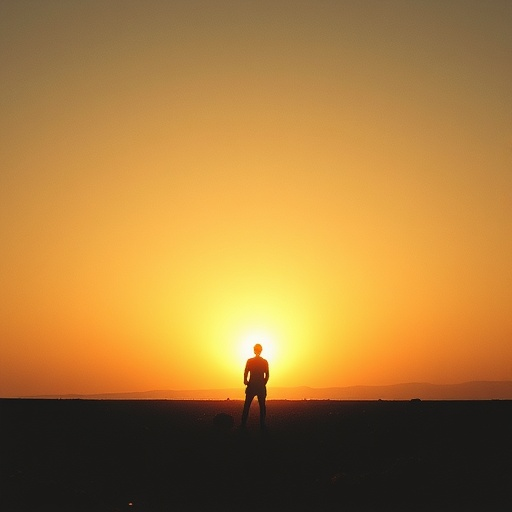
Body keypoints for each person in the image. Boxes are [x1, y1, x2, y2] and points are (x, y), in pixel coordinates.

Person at [241, 343, 269, 429]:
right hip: (259, 385)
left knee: (247, 405)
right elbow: (267, 375)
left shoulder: (250, 361)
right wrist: (263, 383)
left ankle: (243, 424)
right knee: (262, 406)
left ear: (254, 350)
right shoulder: (264, 362)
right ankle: (262, 424)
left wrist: (246, 381)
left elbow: (246, 372)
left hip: (253, 385)